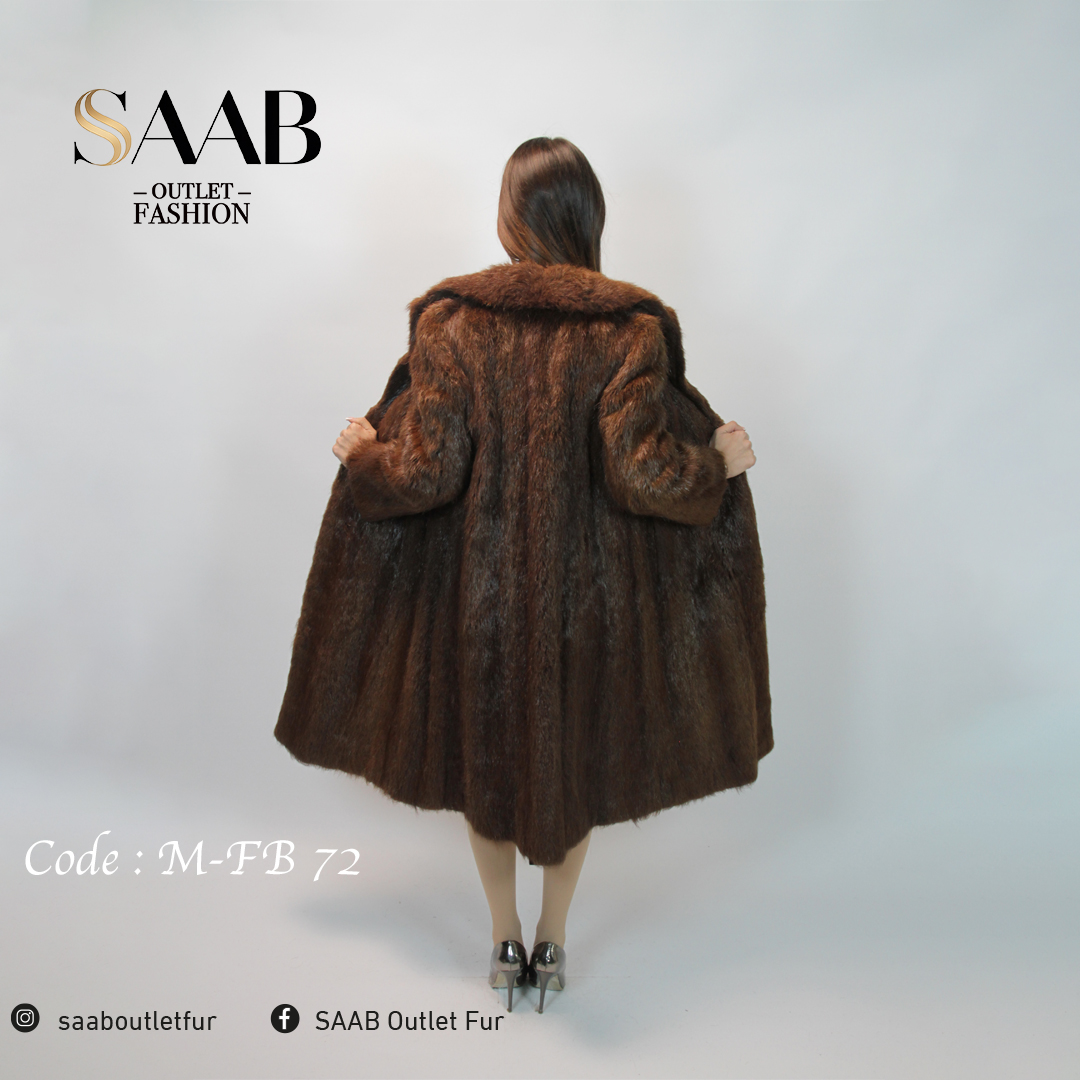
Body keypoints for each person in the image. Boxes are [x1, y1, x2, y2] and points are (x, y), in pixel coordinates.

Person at [275, 137, 771, 1013]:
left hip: (484, 609)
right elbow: (646, 474)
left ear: (509, 217)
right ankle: (555, 940)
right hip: (590, 611)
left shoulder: (451, 324)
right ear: (590, 217)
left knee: (489, 774)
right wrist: (717, 466)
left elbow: (426, 471)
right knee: (569, 771)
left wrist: (364, 457)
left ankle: (503, 940)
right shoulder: (630, 331)